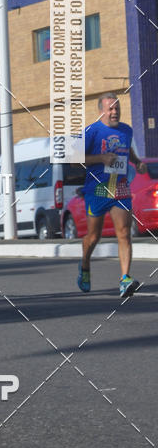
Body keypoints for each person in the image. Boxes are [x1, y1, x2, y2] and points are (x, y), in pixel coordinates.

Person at [78, 93, 147, 297]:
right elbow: (75, 161)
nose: (114, 112)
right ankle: (84, 265)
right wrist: (100, 158)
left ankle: (125, 279)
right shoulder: (91, 131)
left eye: (117, 108)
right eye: (110, 109)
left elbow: (128, 152)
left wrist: (138, 162)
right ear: (101, 111)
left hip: (120, 188)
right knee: (94, 236)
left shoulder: (127, 130)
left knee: (124, 233)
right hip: (97, 190)